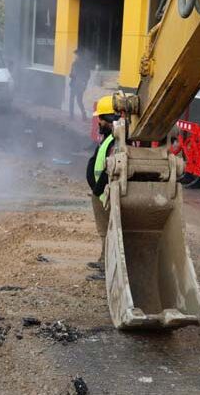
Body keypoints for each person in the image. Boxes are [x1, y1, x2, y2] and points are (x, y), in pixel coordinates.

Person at [85, 95, 120, 280]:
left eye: (100, 117)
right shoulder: (108, 137)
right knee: (103, 231)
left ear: (108, 119)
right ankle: (102, 259)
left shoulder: (115, 140)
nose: (97, 121)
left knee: (107, 231)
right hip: (100, 193)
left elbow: (110, 169)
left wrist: (98, 190)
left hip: (104, 194)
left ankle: (107, 268)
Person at [69, 48, 91, 120]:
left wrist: (84, 83)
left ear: (79, 55)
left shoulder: (79, 63)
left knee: (75, 100)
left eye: (76, 55)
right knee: (76, 100)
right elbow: (88, 75)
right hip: (78, 84)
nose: (75, 56)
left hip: (77, 84)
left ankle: (74, 115)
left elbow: (86, 75)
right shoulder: (80, 63)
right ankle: (80, 115)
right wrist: (84, 84)